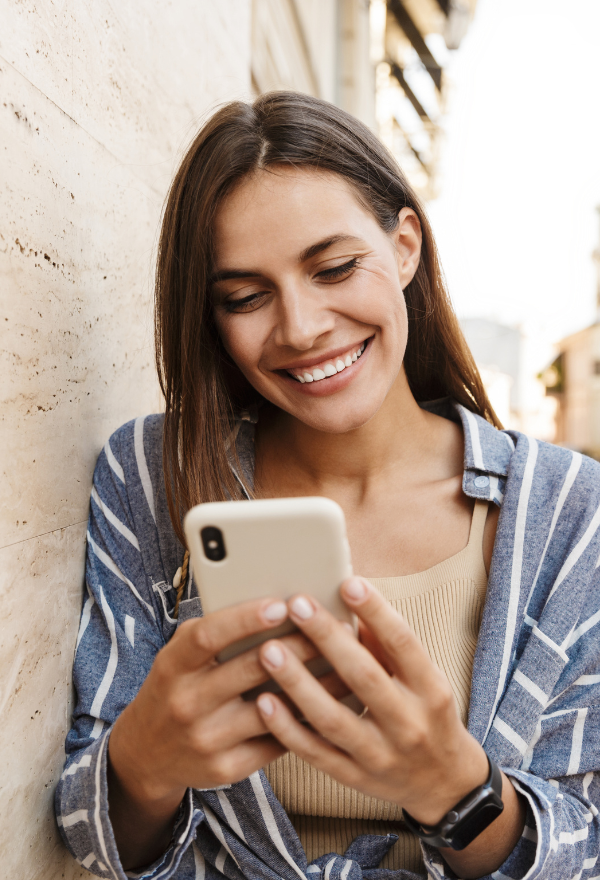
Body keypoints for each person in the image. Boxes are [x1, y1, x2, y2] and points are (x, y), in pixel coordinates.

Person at [56, 92, 600, 880]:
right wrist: (142, 763)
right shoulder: (151, 474)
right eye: (245, 296)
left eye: (335, 268)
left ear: (405, 246)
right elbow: (89, 829)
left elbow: (585, 843)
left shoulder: (570, 515)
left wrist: (459, 791)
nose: (302, 327)